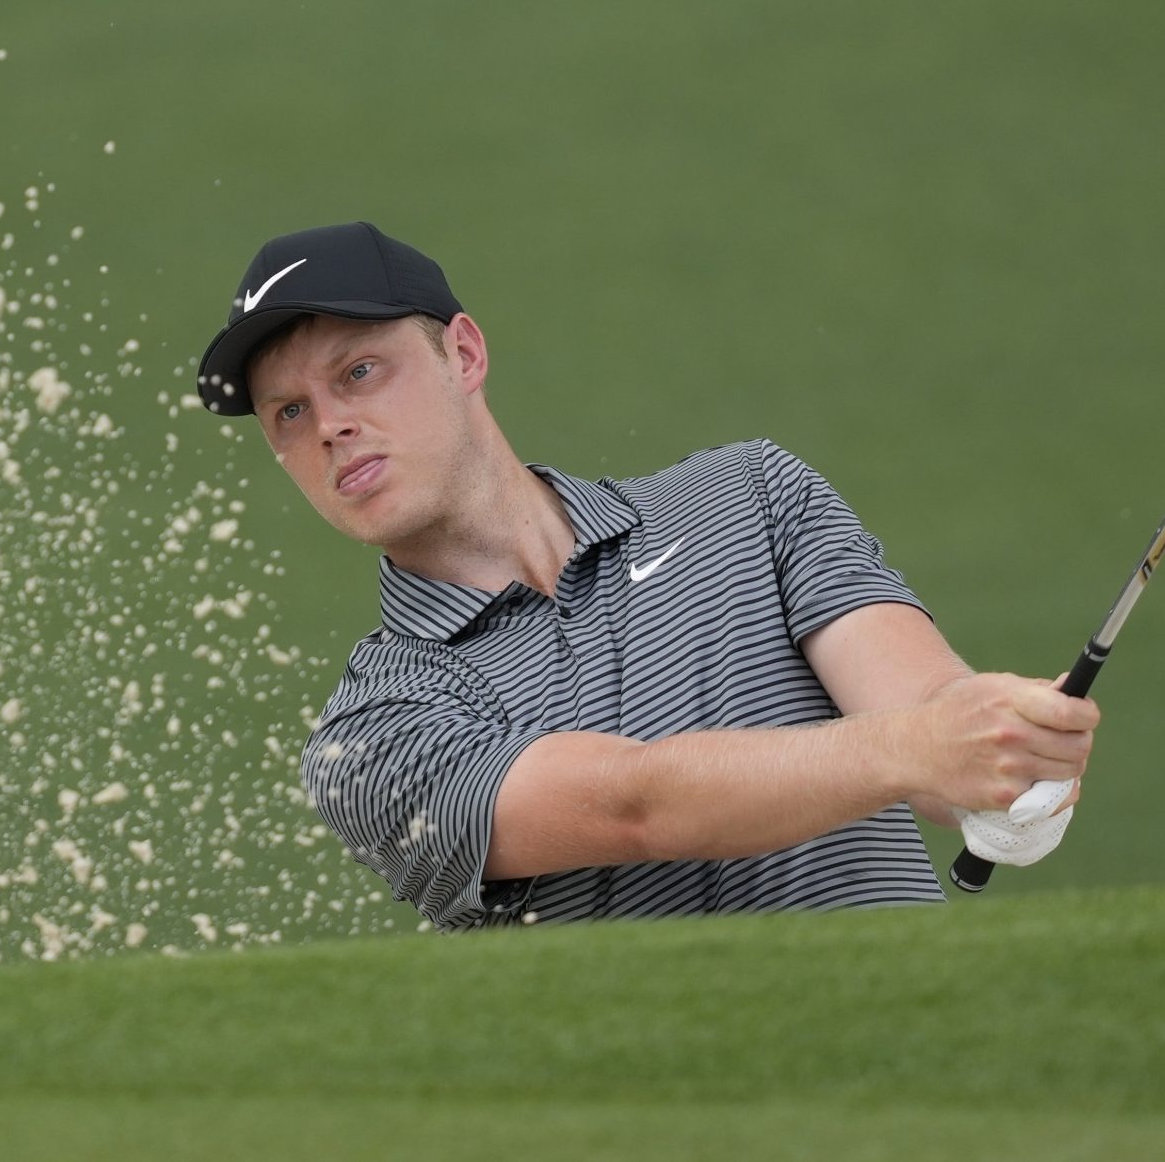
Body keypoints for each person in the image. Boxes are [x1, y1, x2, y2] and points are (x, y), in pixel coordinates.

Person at [196, 222, 1097, 928]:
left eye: (359, 371)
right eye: (289, 411)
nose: (329, 426)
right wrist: (919, 746)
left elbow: (930, 718)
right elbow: (633, 805)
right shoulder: (368, 737)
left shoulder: (749, 494)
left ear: (462, 355)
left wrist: (1007, 762)